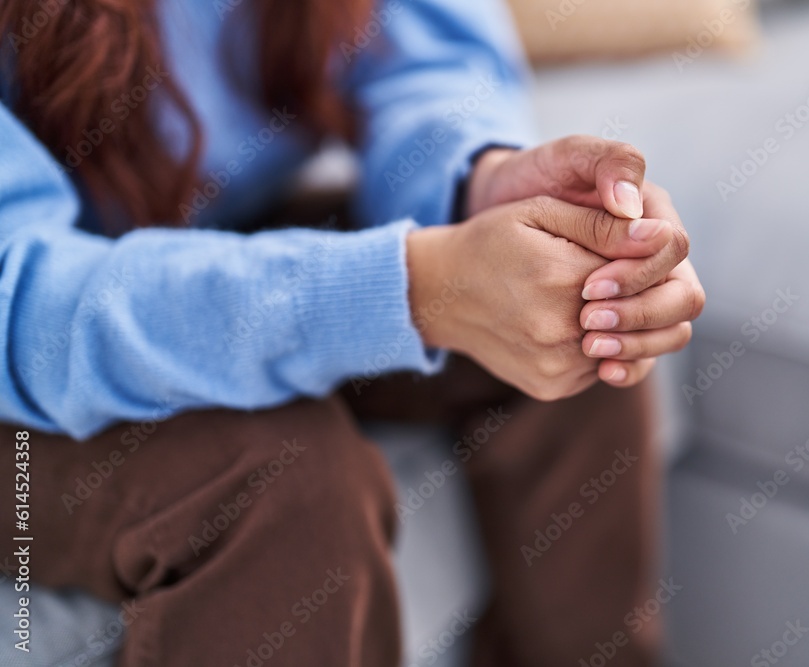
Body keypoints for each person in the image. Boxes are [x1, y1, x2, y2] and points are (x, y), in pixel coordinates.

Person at [0, 0, 704, 664]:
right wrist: (408, 289)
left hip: (208, 235)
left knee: (576, 306)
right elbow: (26, 301)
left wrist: (481, 181)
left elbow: (424, 58)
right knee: (283, 489)